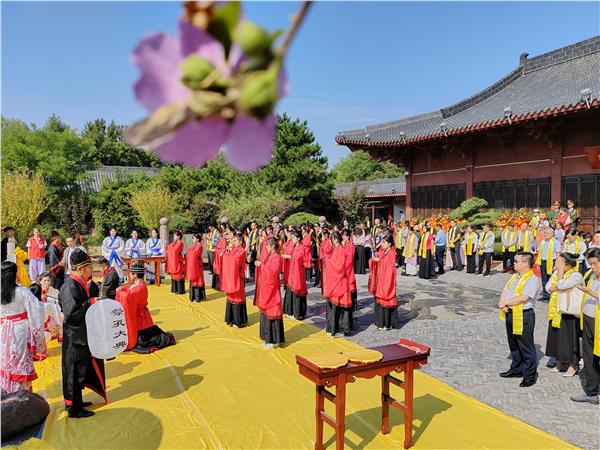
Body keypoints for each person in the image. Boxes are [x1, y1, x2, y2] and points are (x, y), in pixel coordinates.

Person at [60, 248, 106, 418]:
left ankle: (78, 400)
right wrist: (90, 303)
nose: (91, 270)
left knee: (81, 370)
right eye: (89, 267)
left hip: (82, 335)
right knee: (73, 370)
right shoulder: (69, 286)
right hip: (74, 337)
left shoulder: (79, 284)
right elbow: (71, 315)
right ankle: (73, 408)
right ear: (81, 269)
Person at [1, 261, 46, 394]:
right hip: (19, 331)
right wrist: (39, 342)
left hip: (2, 331)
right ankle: (21, 397)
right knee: (19, 362)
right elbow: (36, 314)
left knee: (4, 363)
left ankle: (5, 394)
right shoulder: (22, 292)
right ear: (15, 274)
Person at [498, 252, 541, 387]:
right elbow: (505, 290)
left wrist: (506, 303)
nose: (514, 263)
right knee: (514, 344)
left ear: (526, 264)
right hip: (510, 312)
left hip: (524, 314)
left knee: (525, 345)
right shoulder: (515, 277)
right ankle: (516, 369)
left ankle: (529, 375)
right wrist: (502, 302)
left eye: (517, 261)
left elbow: (523, 297)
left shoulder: (532, 279)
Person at [121, 260, 176, 353]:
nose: (129, 275)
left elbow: (129, 294)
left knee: (141, 342)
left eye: (130, 273)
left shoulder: (140, 287)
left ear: (135, 275)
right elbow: (128, 290)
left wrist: (120, 292)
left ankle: (166, 338)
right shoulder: (136, 285)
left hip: (141, 317)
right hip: (139, 316)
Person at [545, 252, 584, 377]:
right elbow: (548, 287)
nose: (555, 263)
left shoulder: (575, 275)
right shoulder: (557, 274)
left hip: (569, 311)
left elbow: (561, 285)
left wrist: (560, 277)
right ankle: (560, 362)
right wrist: (560, 287)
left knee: (570, 339)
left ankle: (573, 365)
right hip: (556, 309)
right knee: (557, 337)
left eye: (558, 261)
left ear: (565, 263)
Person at [572, 248, 600, 404]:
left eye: (595, 264)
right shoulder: (593, 277)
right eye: (590, 265)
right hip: (589, 321)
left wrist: (591, 293)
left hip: (598, 323)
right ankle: (591, 392)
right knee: (589, 357)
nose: (593, 268)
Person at [255, 237, 285, 349]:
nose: (266, 247)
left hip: (272, 291)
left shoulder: (276, 257)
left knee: (272, 314)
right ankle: (268, 339)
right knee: (266, 314)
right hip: (267, 288)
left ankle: (273, 341)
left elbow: (272, 273)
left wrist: (261, 266)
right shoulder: (270, 256)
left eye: (267, 245)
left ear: (273, 246)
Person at [323, 231, 353, 337]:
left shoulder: (340, 250)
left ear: (335, 239)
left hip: (339, 281)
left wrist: (327, 261)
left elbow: (339, 266)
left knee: (339, 307)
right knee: (335, 306)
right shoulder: (337, 249)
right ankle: (333, 329)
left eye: (331, 239)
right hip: (336, 280)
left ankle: (339, 329)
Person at [369, 234, 398, 330]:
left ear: (389, 244)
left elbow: (389, 266)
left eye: (384, 242)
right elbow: (380, 256)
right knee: (380, 300)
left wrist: (379, 261)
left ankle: (386, 324)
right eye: (382, 242)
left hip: (387, 280)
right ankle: (381, 323)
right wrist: (376, 257)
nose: (382, 244)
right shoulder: (385, 251)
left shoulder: (392, 253)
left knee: (385, 299)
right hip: (382, 279)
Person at [222, 233, 248, 328]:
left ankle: (239, 321)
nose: (234, 242)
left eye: (236, 241)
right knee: (231, 296)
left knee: (238, 297)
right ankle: (231, 319)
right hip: (231, 277)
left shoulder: (241, 251)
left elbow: (234, 260)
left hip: (237, 277)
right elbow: (229, 257)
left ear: (240, 242)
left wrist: (226, 255)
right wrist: (227, 253)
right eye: (234, 241)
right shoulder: (233, 250)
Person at [282, 229, 308, 320]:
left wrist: (289, 257)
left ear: (298, 238)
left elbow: (299, 259)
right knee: (290, 291)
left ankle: (298, 313)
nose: (292, 239)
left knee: (297, 291)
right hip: (293, 272)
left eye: (293, 238)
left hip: (298, 273)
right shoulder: (294, 247)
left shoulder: (301, 248)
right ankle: (291, 311)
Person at [537, 227, 561, 301]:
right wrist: (538, 263)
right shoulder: (542, 242)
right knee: (544, 279)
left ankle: (552, 295)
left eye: (547, 233)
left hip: (552, 262)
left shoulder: (556, 242)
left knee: (552, 279)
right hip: (543, 262)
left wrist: (556, 264)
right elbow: (539, 253)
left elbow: (558, 254)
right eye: (544, 233)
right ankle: (545, 295)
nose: (545, 235)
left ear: (552, 234)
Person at [185, 233, 206, 302]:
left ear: (197, 239)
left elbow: (194, 254)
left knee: (198, 280)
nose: (192, 239)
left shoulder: (199, 246)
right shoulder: (195, 246)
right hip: (194, 265)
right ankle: (193, 297)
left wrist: (188, 251)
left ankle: (198, 297)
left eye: (193, 238)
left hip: (197, 265)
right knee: (194, 280)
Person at [341, 229, 358, 310]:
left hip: (348, 268)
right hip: (343, 267)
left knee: (350, 285)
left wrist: (343, 266)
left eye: (345, 235)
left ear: (348, 236)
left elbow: (350, 260)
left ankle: (352, 303)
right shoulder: (343, 244)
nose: (343, 237)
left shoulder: (350, 245)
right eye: (343, 235)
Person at [166, 230, 186, 295]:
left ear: (178, 236)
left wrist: (169, 247)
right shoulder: (174, 243)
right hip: (174, 260)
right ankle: (175, 290)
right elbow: (169, 247)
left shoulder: (180, 243)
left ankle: (180, 290)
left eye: (175, 236)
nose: (173, 237)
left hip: (178, 261)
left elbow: (175, 250)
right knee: (174, 275)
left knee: (179, 275)